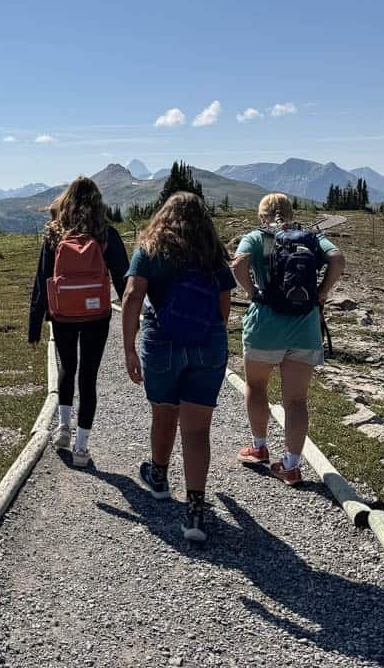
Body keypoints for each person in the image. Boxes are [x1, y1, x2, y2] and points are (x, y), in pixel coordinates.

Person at [122, 192, 234, 542]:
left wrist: (128, 349)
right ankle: (195, 511)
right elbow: (224, 306)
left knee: (163, 413)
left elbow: (131, 297)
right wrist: (205, 334)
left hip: (162, 343)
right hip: (208, 345)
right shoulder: (212, 253)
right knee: (198, 431)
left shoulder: (150, 250)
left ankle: (158, 478)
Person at [232, 193, 345, 485]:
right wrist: (322, 293)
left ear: (261, 216)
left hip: (265, 326)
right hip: (305, 328)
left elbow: (238, 264)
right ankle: (291, 465)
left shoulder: (256, 238)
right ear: (291, 213)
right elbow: (337, 258)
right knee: (296, 399)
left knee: (256, 387)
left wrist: (252, 293)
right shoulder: (311, 238)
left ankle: (258, 448)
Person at [28, 176, 129, 467]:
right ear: (98, 203)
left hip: (63, 314)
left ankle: (62, 428)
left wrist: (35, 322)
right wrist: (135, 316)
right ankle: (82, 447)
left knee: (67, 367)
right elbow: (125, 280)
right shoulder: (106, 234)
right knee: (88, 376)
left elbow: (42, 281)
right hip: (97, 315)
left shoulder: (55, 234)